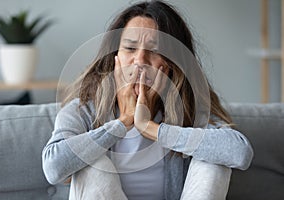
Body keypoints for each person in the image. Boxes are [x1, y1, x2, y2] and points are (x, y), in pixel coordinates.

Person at [42, 1, 254, 200]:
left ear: (172, 63)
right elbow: (54, 168)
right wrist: (122, 122)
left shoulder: (190, 111)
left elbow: (239, 153)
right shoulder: (84, 110)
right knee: (92, 163)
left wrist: (150, 127)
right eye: (130, 48)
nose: (140, 61)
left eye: (153, 50)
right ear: (115, 57)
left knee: (213, 162)